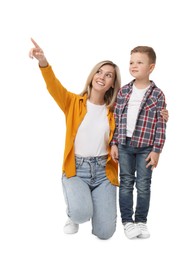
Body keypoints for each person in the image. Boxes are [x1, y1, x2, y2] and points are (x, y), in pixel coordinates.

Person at [29, 38, 121, 240]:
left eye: (108, 75)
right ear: (92, 76)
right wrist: (43, 61)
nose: (102, 77)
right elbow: (53, 86)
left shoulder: (115, 111)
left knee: (105, 233)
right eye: (99, 72)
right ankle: (74, 213)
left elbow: (134, 118)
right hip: (76, 169)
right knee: (80, 214)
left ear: (112, 83)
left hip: (104, 172)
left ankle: (90, 205)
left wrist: (161, 113)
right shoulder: (72, 102)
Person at [110, 46, 167, 239]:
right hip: (125, 146)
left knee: (144, 185)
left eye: (139, 62)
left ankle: (141, 221)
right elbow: (116, 120)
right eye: (131, 62)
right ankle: (127, 221)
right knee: (126, 183)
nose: (134, 65)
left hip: (146, 148)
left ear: (151, 67)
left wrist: (157, 150)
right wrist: (114, 143)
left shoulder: (157, 95)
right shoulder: (124, 91)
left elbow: (161, 124)